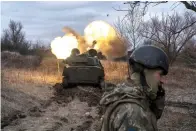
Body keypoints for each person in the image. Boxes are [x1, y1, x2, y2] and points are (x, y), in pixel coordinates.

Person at [100, 45, 169, 131]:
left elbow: (154, 115)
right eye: (160, 74)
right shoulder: (133, 112)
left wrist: (158, 96)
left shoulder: (130, 95)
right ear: (144, 73)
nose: (163, 81)